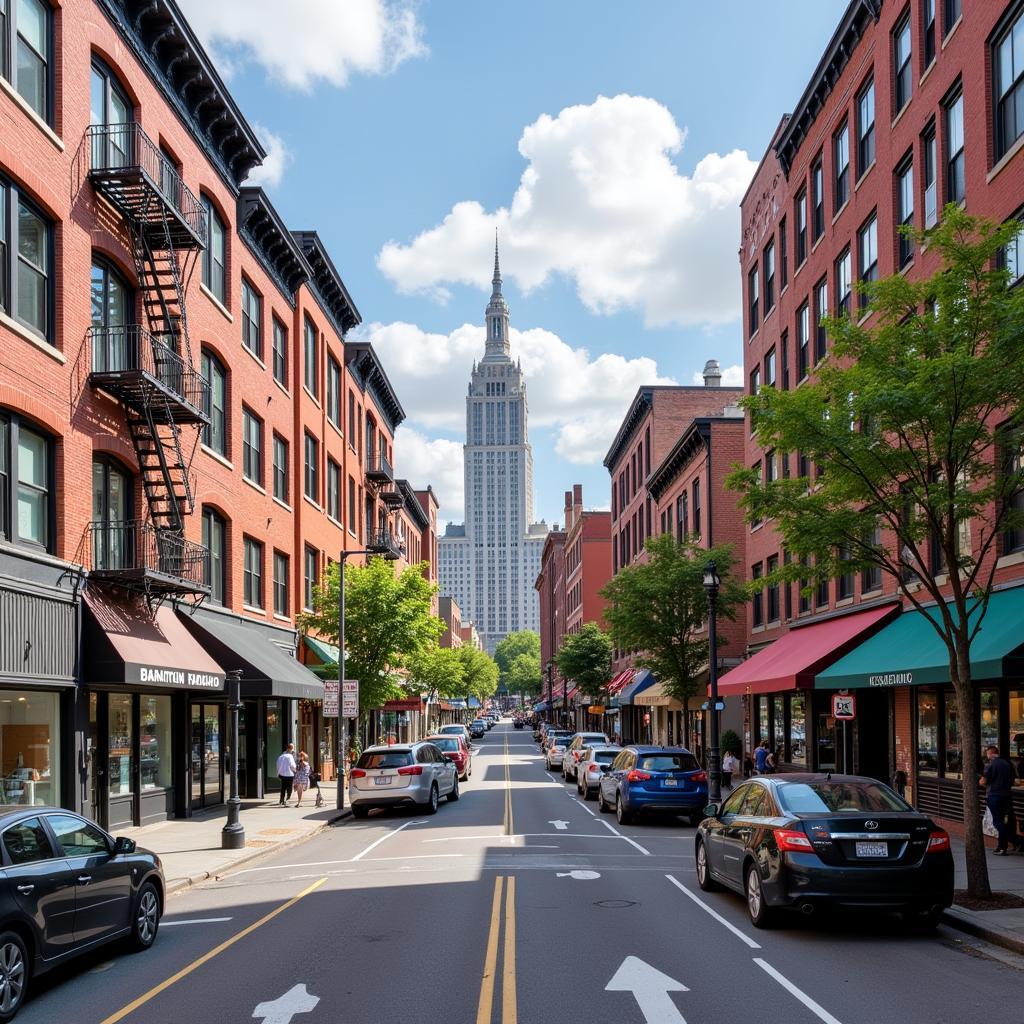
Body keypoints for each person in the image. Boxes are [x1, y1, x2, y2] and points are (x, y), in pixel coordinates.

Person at [982, 745, 1021, 855]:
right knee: (1005, 821)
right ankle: (1002, 846)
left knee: (998, 822)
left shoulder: (990, 764)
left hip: (994, 795)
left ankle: (1015, 842)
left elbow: (983, 781)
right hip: (1007, 795)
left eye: (987, 753)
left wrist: (980, 781)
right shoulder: (1008, 763)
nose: (986, 755)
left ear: (990, 753)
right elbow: (1014, 780)